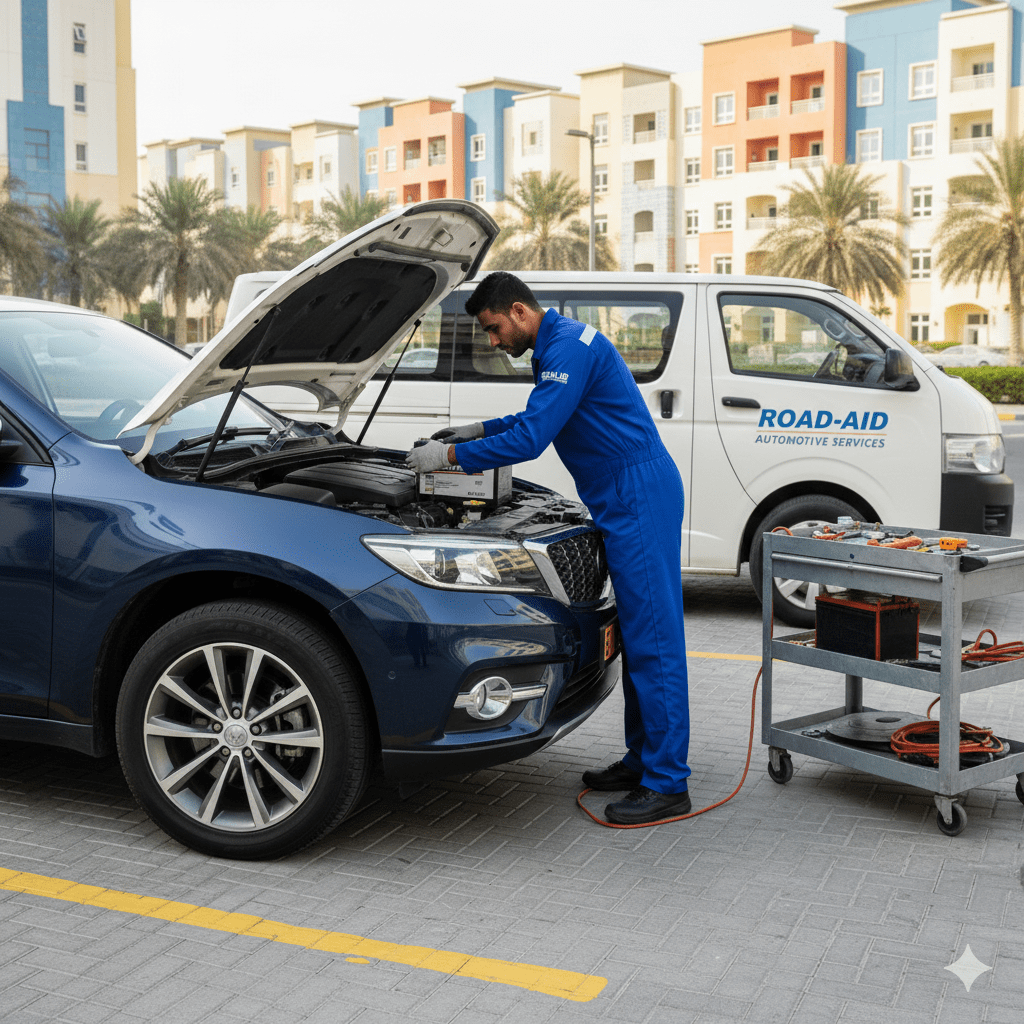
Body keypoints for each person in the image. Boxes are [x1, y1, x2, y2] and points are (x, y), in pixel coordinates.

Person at [405, 272, 691, 825]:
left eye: (492, 330)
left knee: (655, 639)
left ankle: (668, 783)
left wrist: (449, 461)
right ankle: (643, 761)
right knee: (635, 635)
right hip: (621, 494)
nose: (493, 343)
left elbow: (533, 439)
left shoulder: (566, 350)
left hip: (637, 496)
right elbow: (535, 418)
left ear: (518, 310)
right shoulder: (557, 346)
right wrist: (473, 430)